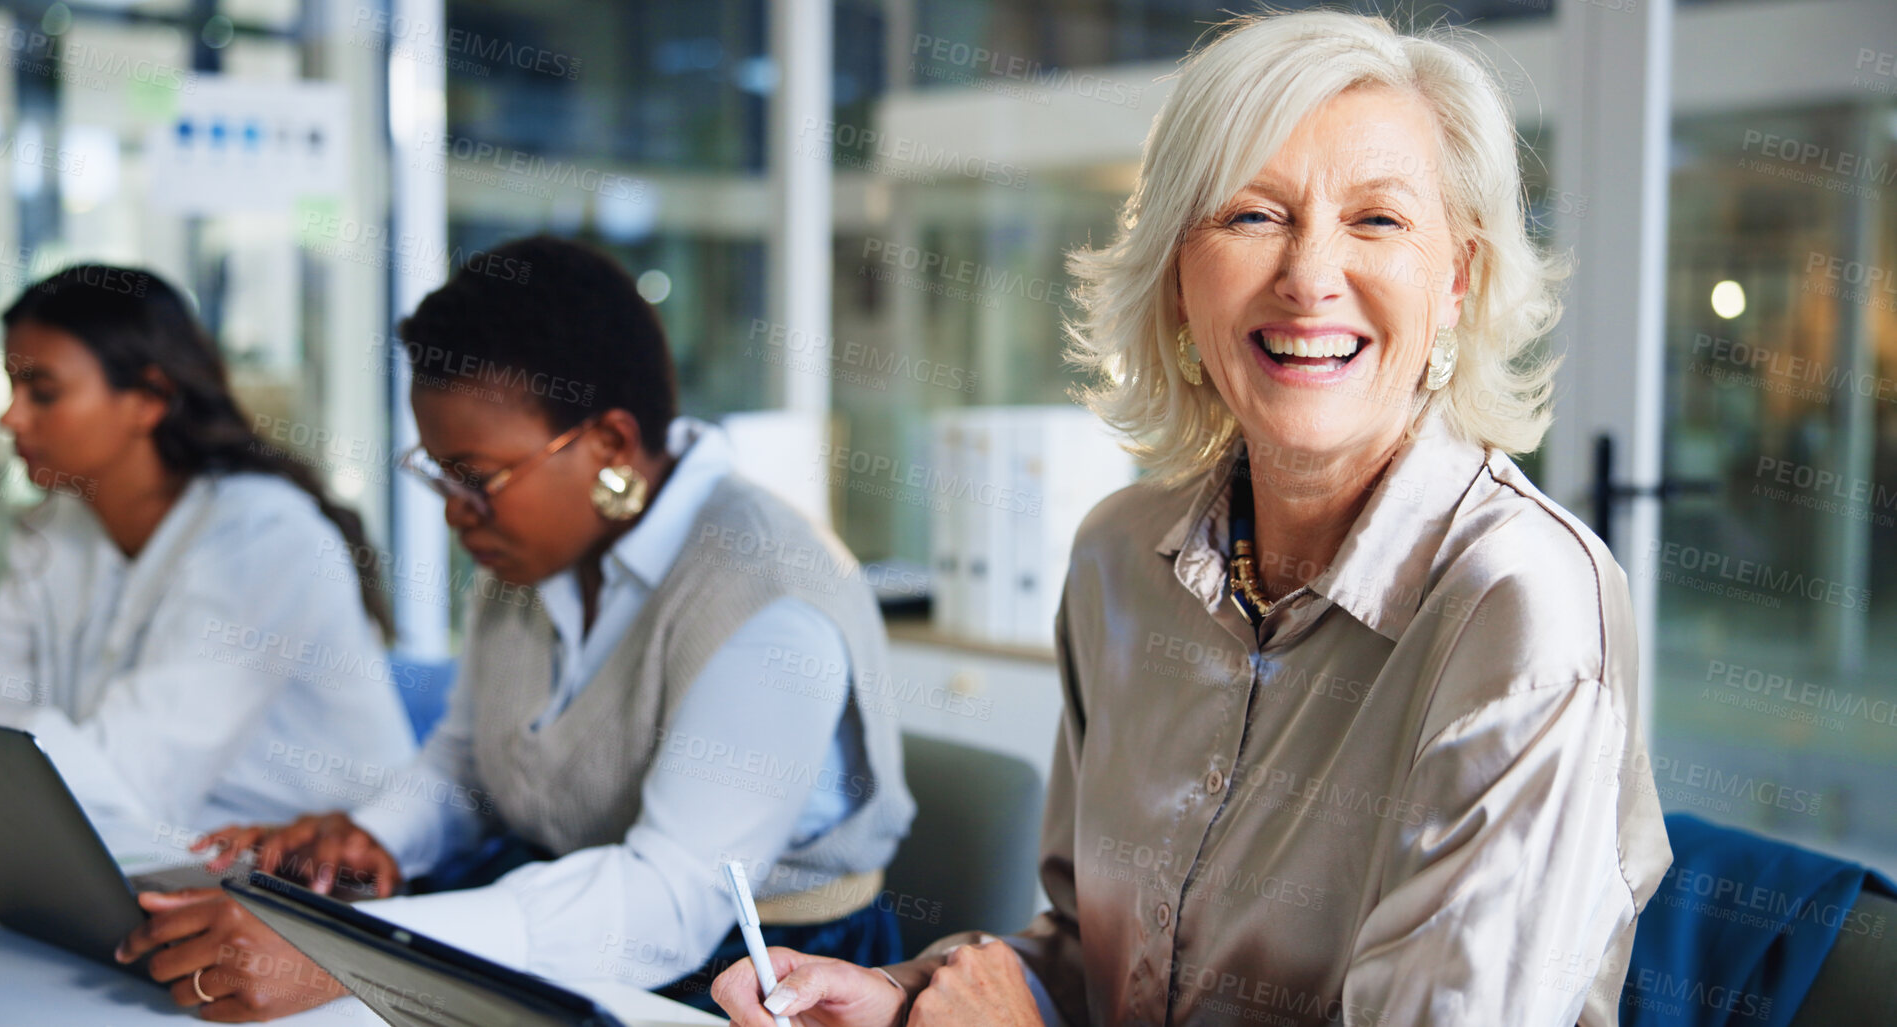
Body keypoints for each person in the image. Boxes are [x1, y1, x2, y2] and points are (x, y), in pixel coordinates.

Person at [713, 11, 1672, 1027]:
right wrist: (906, 997)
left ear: (1457, 280)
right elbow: (1103, 955)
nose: (1309, 276)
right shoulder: (1118, 561)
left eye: (1377, 221)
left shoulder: (1523, 606)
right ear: (1179, 273)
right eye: (1253, 215)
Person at [116, 236, 916, 1021]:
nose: (456, 512)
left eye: (477, 478)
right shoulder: (535, 545)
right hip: (563, 921)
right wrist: (377, 836)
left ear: (608, 445)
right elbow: (469, 757)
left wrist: (353, 949)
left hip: (754, 975)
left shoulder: (767, 599)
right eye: (438, 474)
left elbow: (667, 903)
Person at [0, 264, 414, 842]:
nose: (11, 417)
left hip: (317, 889)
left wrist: (11, 753)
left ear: (150, 398)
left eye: (43, 392)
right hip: (151, 861)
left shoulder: (263, 538)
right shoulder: (64, 524)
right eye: (11, 388)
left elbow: (126, 784)